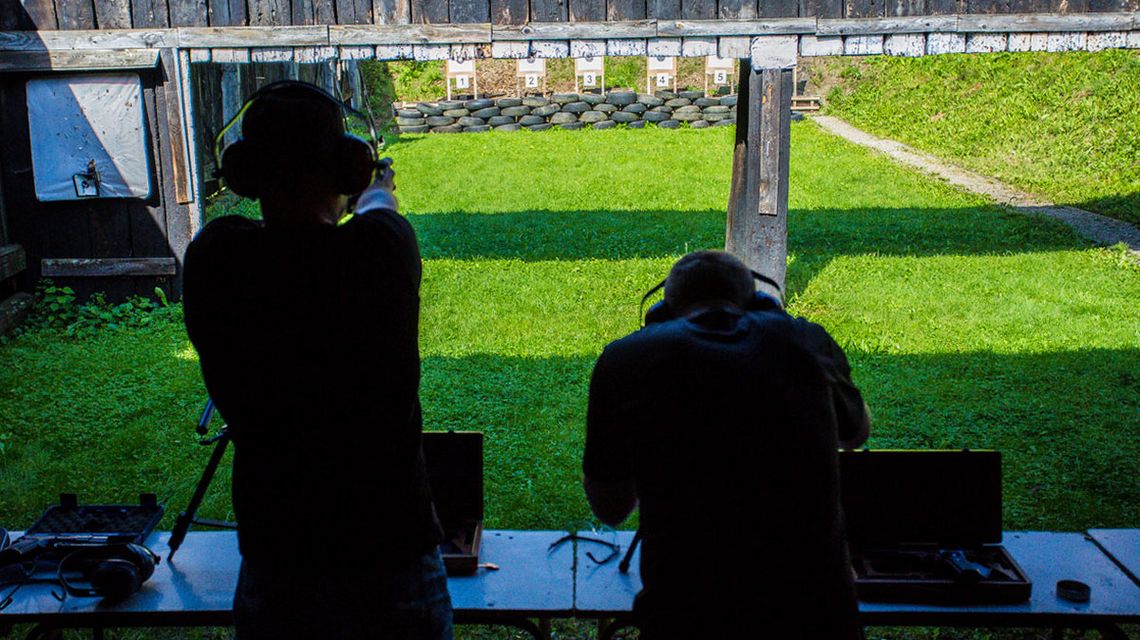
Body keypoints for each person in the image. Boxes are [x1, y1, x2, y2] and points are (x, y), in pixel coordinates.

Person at [182, 82, 452, 640]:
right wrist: (377, 187)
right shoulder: (382, 248)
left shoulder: (216, 258)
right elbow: (378, 210)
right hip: (390, 551)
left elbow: (277, 238)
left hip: (278, 551)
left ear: (247, 175)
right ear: (346, 172)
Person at [582, 250, 870, 639]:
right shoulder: (806, 340)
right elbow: (856, 433)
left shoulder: (627, 358)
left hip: (686, 613)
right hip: (818, 613)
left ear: (663, 311)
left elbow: (610, 508)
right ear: (757, 302)